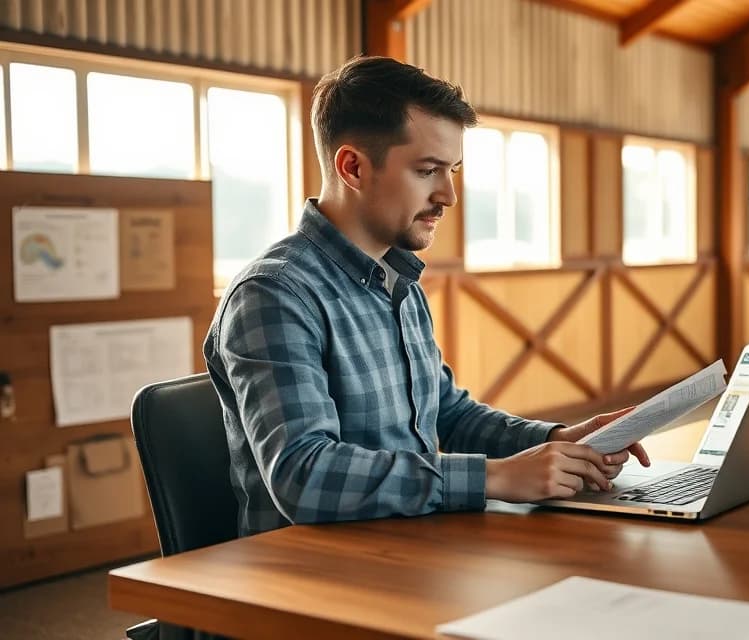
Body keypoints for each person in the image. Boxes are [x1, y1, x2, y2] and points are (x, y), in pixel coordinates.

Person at [204, 56, 649, 537]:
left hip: (412, 545)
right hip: (313, 575)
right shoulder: (275, 293)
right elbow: (305, 477)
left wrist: (558, 440)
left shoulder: (398, 283)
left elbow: (448, 414)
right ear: (352, 166)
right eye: (428, 170)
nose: (449, 195)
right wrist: (494, 477)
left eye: (452, 169)